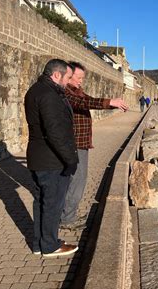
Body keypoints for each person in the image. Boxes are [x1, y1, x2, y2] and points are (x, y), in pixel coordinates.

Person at [61, 61, 128, 230]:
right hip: (75, 143)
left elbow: (89, 100)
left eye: (82, 78)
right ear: (68, 76)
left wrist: (110, 103)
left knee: (77, 181)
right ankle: (67, 219)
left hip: (81, 142)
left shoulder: (77, 91)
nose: (80, 81)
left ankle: (70, 214)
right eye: (78, 77)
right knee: (77, 181)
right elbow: (82, 103)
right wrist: (109, 102)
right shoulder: (65, 92)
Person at [24, 59, 79, 257]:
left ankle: (39, 243)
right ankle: (49, 245)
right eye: (67, 77)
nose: (68, 81)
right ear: (56, 75)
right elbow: (55, 132)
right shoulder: (49, 95)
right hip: (51, 160)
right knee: (53, 203)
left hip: (39, 158)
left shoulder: (36, 90)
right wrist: (70, 160)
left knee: (42, 201)